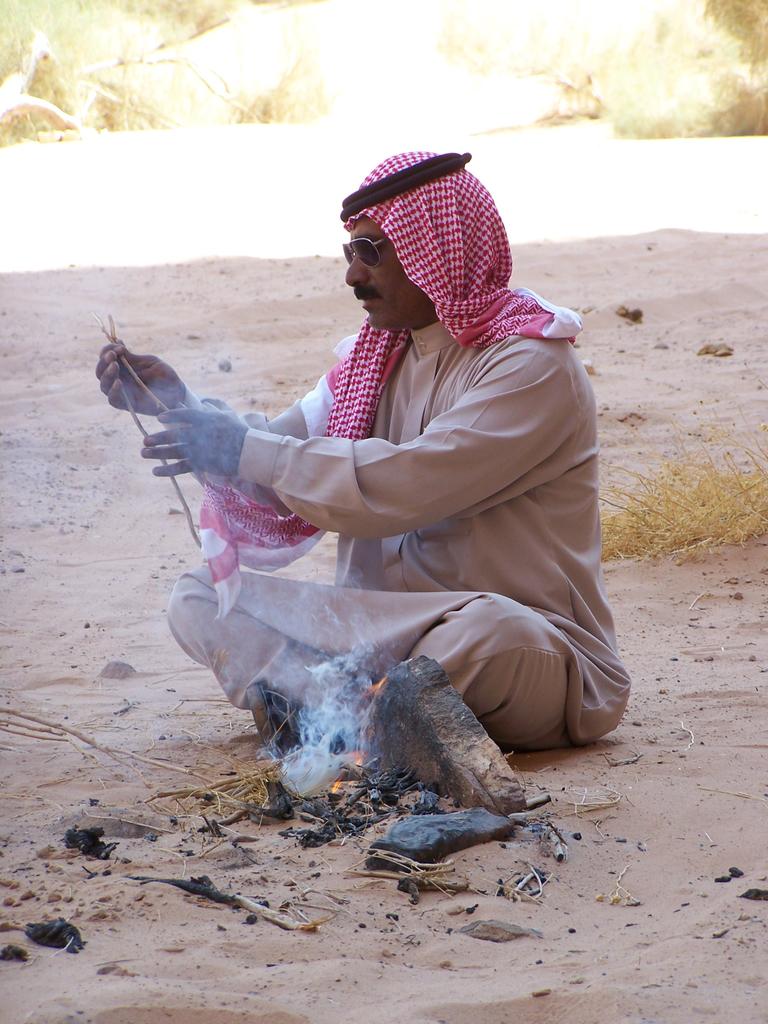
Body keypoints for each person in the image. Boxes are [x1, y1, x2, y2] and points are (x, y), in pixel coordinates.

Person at [96, 150, 630, 753]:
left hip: (519, 649)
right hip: (374, 634)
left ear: (437, 251)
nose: (353, 275)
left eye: (372, 252)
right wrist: (176, 404)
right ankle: (351, 712)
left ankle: (327, 709)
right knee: (201, 596)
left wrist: (242, 447)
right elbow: (282, 454)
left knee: (495, 631)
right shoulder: (372, 361)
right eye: (350, 254)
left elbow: (403, 484)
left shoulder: (531, 364)